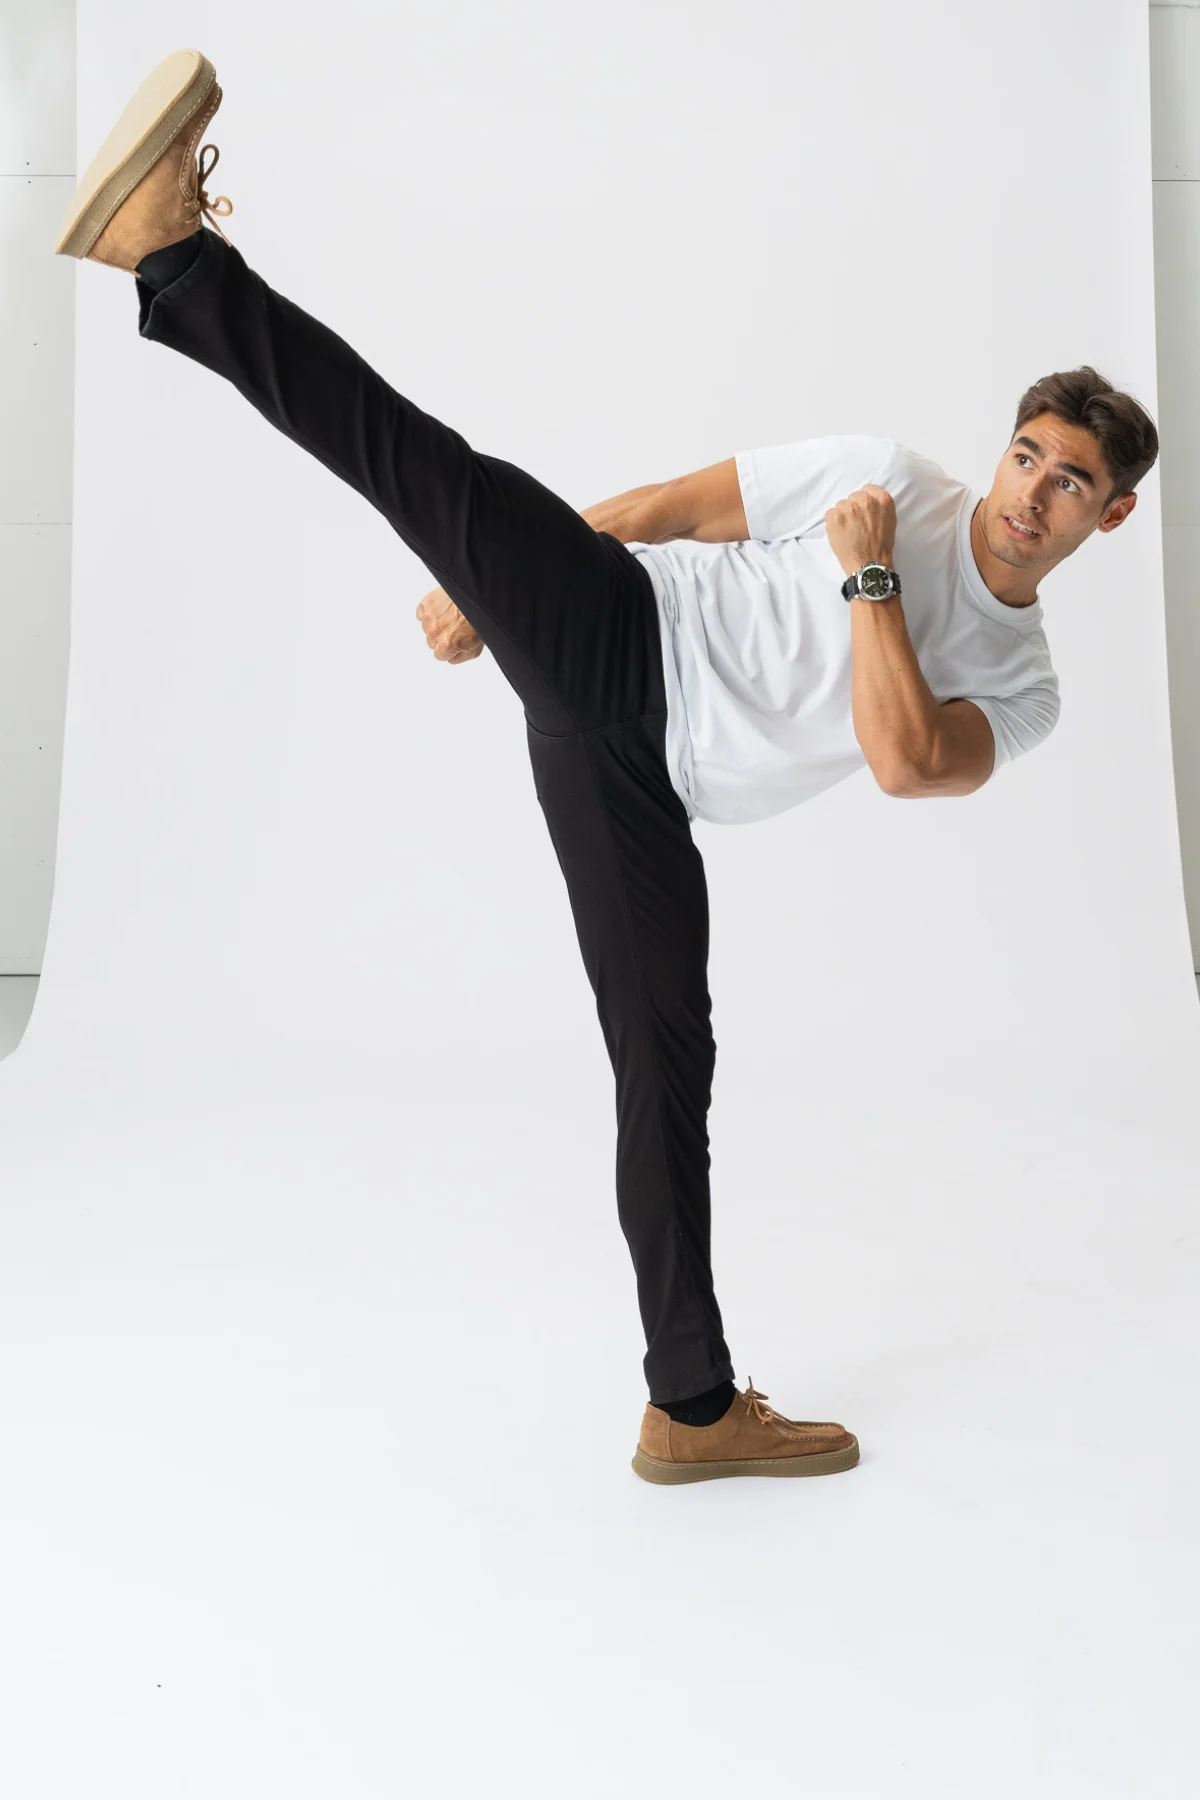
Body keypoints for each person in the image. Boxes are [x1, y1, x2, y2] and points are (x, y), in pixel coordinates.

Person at [54, 49, 1158, 1486]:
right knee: (417, 461)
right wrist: (497, 584)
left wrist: (871, 581)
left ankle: (687, 1409)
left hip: (639, 784)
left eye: (1070, 483)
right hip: (626, 627)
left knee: (666, 1063)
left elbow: (903, 761)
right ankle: (172, 256)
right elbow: (669, 508)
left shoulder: (1024, 685)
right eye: (1024, 456)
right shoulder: (889, 473)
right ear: (1000, 450)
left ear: (1109, 516)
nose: (1030, 494)